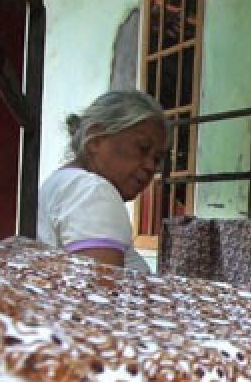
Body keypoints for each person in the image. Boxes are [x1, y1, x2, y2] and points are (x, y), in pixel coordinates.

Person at [37, 90, 168, 272]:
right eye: (142, 148)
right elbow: (100, 294)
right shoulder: (92, 191)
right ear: (95, 140)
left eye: (156, 159)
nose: (150, 166)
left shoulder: (60, 182)